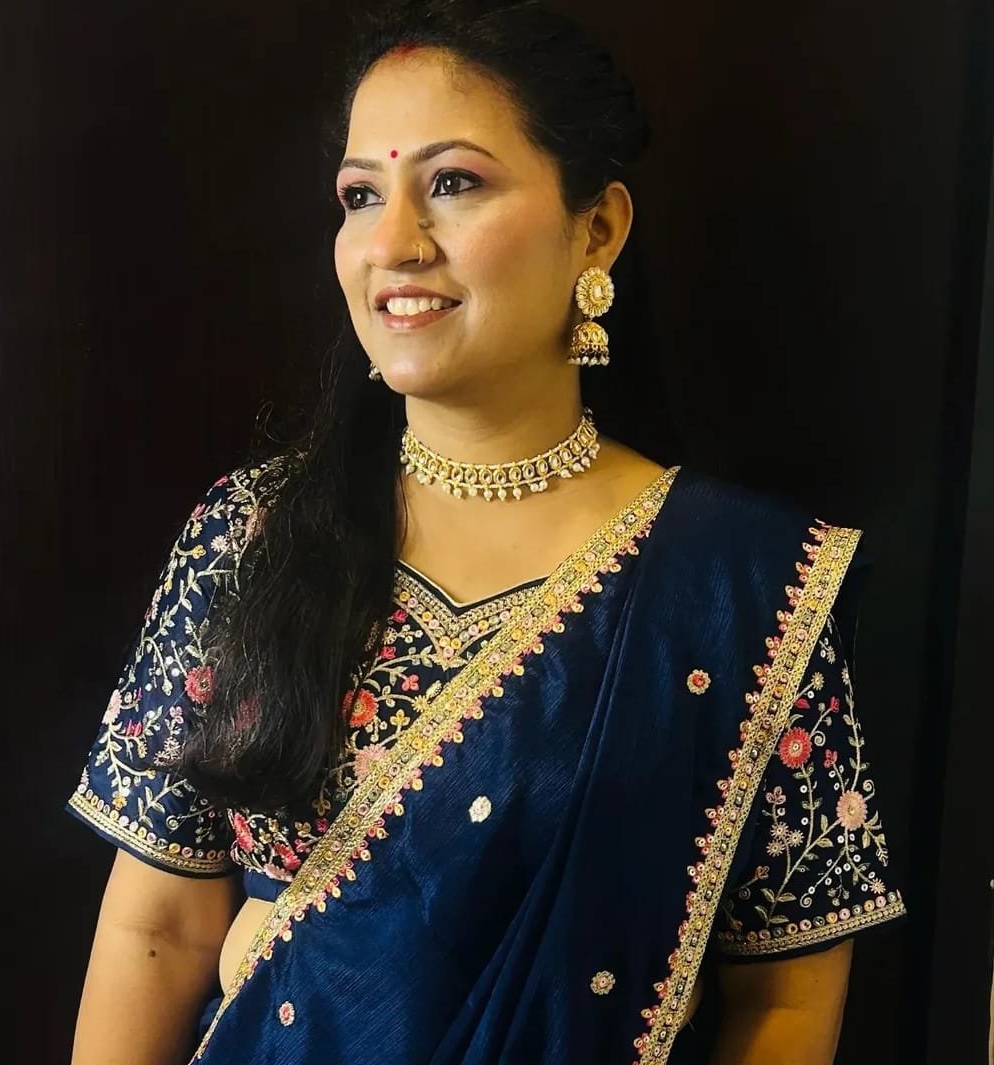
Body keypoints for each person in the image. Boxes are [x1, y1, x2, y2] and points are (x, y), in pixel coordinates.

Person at [67, 2, 906, 1062]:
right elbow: (160, 927)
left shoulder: (745, 588)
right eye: (360, 195)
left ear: (596, 230)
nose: (392, 243)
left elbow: (783, 998)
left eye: (454, 183)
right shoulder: (251, 539)